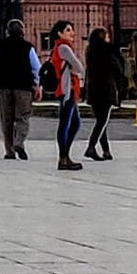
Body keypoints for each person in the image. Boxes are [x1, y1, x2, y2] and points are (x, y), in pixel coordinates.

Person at [0, 20, 39, 161]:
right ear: (22, 31)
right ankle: (19, 142)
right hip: (23, 86)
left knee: (6, 119)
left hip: (3, 86)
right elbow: (36, 68)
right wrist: (36, 83)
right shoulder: (28, 47)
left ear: (7, 31)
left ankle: (9, 151)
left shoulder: (0, 46)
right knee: (23, 116)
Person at [82, 26, 124, 161]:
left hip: (93, 89)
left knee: (100, 121)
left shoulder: (90, 52)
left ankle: (106, 150)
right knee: (102, 121)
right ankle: (91, 146)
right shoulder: (109, 53)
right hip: (106, 89)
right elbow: (118, 70)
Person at [51, 21, 85, 171]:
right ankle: (63, 158)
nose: (72, 33)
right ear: (60, 33)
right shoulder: (64, 48)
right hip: (67, 89)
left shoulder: (59, 48)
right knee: (66, 123)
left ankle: (65, 156)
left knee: (74, 123)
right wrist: (75, 70)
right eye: (68, 30)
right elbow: (79, 66)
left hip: (67, 89)